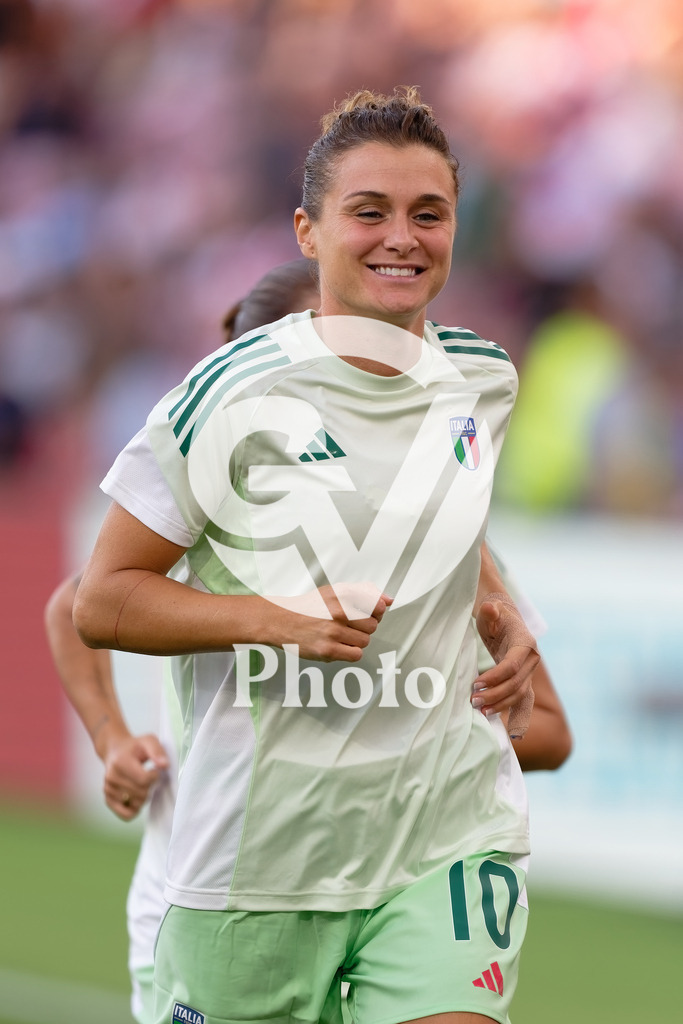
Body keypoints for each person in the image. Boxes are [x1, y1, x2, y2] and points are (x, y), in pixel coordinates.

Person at [73, 87, 541, 1024]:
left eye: (428, 213)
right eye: (368, 212)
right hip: (257, 857)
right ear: (306, 231)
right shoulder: (230, 393)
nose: (400, 237)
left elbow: (448, 539)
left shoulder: (483, 381)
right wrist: (283, 625)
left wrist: (508, 631)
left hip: (443, 833)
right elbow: (102, 601)